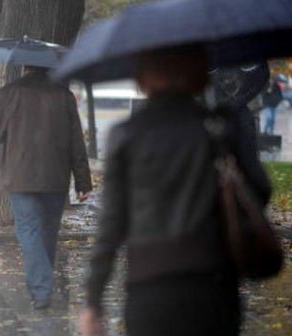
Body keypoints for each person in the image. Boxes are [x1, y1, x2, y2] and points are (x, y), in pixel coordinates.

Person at [79, 46, 272, 336]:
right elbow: (260, 191)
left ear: (144, 76)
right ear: (200, 73)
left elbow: (112, 224)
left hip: (150, 286)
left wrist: (93, 300)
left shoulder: (128, 134)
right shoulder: (220, 126)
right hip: (213, 283)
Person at [0, 66, 92, 310]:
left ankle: (42, 289)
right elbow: (77, 141)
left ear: (25, 67)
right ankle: (41, 285)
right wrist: (83, 181)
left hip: (20, 176)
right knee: (47, 233)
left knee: (29, 231)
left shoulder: (9, 93)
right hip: (56, 176)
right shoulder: (63, 95)